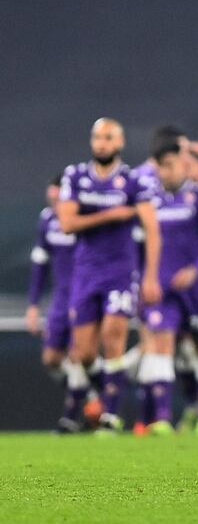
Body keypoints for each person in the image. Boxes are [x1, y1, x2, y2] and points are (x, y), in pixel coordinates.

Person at [58, 118, 162, 433]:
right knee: (85, 353)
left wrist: (151, 276)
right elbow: (67, 223)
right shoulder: (75, 176)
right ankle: (106, 390)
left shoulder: (134, 181)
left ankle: (111, 416)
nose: (101, 143)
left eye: (108, 138)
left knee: (113, 337)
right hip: (86, 271)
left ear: (120, 143)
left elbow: (153, 229)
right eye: (97, 138)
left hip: (120, 271)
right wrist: (111, 215)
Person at [138, 137, 198, 435]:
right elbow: (140, 245)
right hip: (162, 289)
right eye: (162, 166)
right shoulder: (149, 201)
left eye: (171, 165)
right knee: (161, 344)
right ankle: (161, 419)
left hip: (195, 287)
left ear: (183, 165)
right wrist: (144, 279)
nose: (166, 172)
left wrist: (194, 270)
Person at [25, 176, 92, 433]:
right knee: (52, 358)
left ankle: (71, 417)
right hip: (60, 298)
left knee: (78, 354)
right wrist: (33, 304)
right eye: (51, 198)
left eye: (59, 199)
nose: (54, 202)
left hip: (83, 293)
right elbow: (40, 264)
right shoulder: (47, 221)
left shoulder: (82, 220)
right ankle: (87, 393)